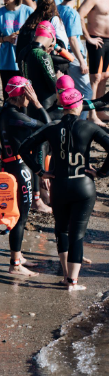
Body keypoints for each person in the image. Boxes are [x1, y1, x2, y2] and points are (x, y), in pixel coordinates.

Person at [20, 88, 109, 290]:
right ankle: (72, 282)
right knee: (77, 234)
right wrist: (101, 172)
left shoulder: (51, 127)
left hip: (59, 185)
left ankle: (66, 277)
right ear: (78, 105)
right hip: (83, 185)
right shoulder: (88, 126)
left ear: (62, 106)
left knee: (62, 230)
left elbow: (24, 149)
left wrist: (40, 172)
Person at [1, 78, 50, 276]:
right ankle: (15, 264)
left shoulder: (4, 112)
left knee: (17, 214)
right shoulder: (16, 117)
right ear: (22, 95)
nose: (30, 99)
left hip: (8, 165)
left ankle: (18, 256)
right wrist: (38, 104)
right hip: (19, 169)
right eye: (28, 95)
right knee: (20, 216)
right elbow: (48, 126)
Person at [0, 0, 33, 89]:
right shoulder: (1, 13)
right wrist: (6, 38)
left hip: (24, 61)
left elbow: (36, 34)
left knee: (25, 93)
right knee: (9, 94)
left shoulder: (28, 11)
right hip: (6, 61)